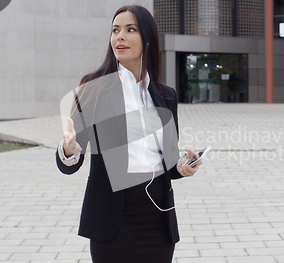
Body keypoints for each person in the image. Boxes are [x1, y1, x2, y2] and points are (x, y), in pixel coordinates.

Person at [55, 5, 203, 263]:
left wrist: (182, 166)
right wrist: (68, 150)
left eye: (129, 29)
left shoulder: (166, 95)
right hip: (112, 220)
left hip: (158, 220)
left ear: (147, 39)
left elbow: (166, 164)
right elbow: (69, 164)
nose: (119, 36)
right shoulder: (93, 89)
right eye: (115, 30)